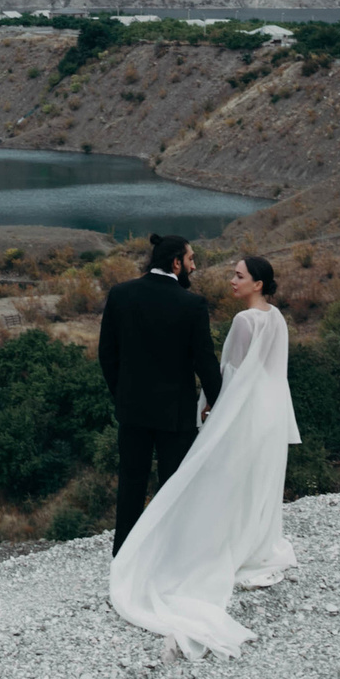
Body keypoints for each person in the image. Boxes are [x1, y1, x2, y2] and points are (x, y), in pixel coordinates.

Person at [109, 253, 301, 658]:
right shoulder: (277, 317)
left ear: (258, 284)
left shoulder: (244, 321)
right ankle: (254, 543)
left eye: (239, 276)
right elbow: (272, 372)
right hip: (270, 409)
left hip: (243, 408)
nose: (232, 281)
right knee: (256, 480)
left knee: (216, 478)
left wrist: (212, 406)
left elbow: (229, 372)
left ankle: (192, 549)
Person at [96, 234, 221, 556]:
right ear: (176, 262)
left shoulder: (121, 294)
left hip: (132, 409)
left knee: (131, 483)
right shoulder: (192, 304)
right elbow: (204, 361)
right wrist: (218, 401)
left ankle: (124, 555)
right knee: (173, 485)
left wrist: (121, 395)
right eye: (191, 259)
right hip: (175, 413)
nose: (194, 266)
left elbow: (107, 355)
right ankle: (169, 554)